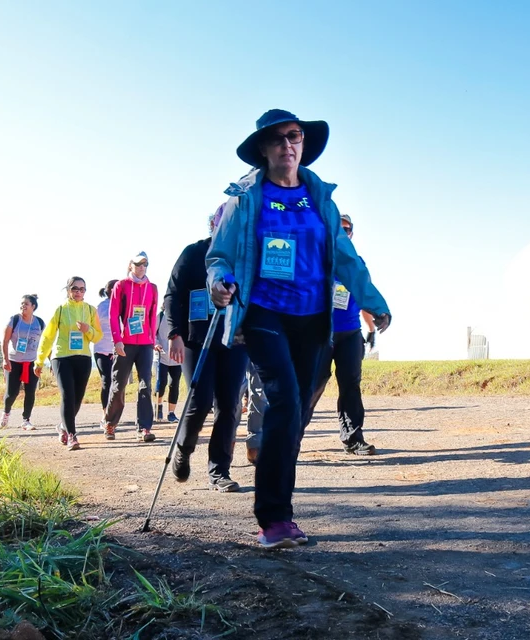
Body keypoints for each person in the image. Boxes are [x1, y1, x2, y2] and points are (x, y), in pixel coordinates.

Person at [207, 109, 391, 548]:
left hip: (313, 318)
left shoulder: (320, 199)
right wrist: (219, 283)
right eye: (277, 140)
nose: (288, 145)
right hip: (265, 312)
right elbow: (220, 255)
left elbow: (346, 259)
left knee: (296, 413)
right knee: (285, 401)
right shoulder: (246, 199)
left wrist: (374, 301)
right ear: (263, 150)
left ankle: (278, 504)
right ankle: (274, 519)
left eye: (295, 137)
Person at [166, 206, 251, 492]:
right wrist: (174, 333)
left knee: (229, 406)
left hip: (234, 341)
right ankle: (184, 447)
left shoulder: (243, 260)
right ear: (213, 224)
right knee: (199, 401)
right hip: (196, 340)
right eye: (222, 221)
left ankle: (219, 471)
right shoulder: (192, 254)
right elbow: (173, 295)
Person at [302, 213, 378, 455]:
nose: (343, 233)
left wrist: (371, 329)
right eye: (339, 229)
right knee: (312, 386)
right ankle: (291, 437)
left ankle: (353, 438)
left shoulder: (357, 263)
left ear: (351, 234)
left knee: (350, 386)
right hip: (319, 334)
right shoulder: (315, 261)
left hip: (350, 333)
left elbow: (364, 297)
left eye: (347, 230)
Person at [37, 277, 102, 450]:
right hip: (62, 358)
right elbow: (48, 336)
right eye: (75, 288)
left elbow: (98, 336)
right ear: (68, 290)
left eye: (82, 289)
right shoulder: (60, 310)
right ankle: (72, 435)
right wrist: (40, 360)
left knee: (78, 399)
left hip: (83, 358)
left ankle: (63, 427)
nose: (78, 292)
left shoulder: (90, 310)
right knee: (67, 395)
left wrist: (88, 330)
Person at [104, 254, 160, 442]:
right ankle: (110, 422)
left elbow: (153, 315)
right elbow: (113, 315)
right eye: (138, 264)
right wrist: (117, 340)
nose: (142, 267)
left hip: (145, 343)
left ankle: (144, 427)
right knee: (119, 386)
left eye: (145, 264)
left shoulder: (152, 288)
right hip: (125, 343)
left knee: (145, 384)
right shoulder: (121, 286)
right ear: (130, 266)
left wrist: (152, 339)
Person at [2, 294, 45, 430]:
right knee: (12, 392)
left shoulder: (40, 323)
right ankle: (6, 413)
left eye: (26, 304)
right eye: (22, 304)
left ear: (33, 306)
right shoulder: (14, 320)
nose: (23, 306)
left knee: (30, 391)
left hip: (31, 361)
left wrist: (47, 360)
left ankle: (26, 420)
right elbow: (5, 341)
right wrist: (5, 359)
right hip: (14, 361)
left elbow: (44, 343)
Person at [93, 280, 118, 417]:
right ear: (109, 290)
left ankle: (114, 412)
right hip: (101, 349)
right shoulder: (101, 307)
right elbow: (95, 326)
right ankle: (105, 414)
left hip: (118, 349)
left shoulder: (123, 305)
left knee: (117, 383)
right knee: (106, 380)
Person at [154, 310, 180, 422]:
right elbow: (152, 333)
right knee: (162, 382)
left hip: (176, 358)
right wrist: (155, 343)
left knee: (174, 385)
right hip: (161, 356)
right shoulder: (159, 317)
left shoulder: (180, 316)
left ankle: (171, 413)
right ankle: (158, 406)